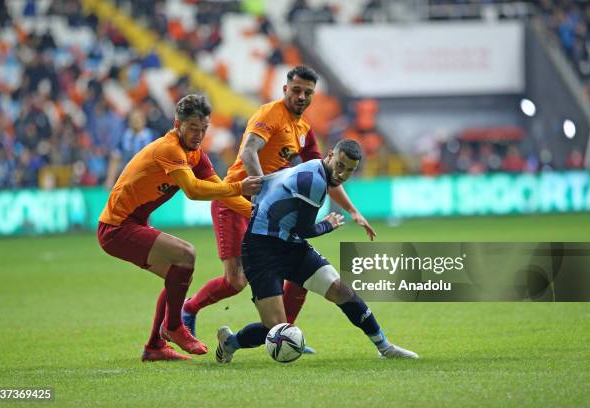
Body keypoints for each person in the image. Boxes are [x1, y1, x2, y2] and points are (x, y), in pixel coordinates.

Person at [182, 66, 376, 354]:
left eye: (307, 93)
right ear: (285, 89)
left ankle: (286, 337)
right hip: (236, 202)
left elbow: (327, 172)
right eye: (296, 90)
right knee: (236, 280)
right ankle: (189, 309)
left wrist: (353, 211)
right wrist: (263, 192)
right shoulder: (268, 115)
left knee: (300, 273)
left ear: (312, 96)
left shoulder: (303, 129)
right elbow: (248, 152)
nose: (301, 96)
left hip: (266, 212)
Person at [215, 139, 418, 363]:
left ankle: (385, 347)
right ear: (330, 155)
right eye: (340, 165)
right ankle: (230, 342)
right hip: (261, 249)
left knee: (342, 291)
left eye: (349, 170)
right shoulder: (314, 180)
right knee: (277, 331)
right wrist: (327, 225)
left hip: (289, 245)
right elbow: (304, 229)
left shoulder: (316, 171)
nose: (342, 174)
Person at [97, 95, 262, 362]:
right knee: (186, 254)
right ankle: (173, 327)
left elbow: (220, 192)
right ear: (178, 124)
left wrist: (256, 213)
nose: (198, 135)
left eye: (203, 129)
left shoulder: (196, 154)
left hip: (132, 223)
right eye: (193, 129)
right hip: (116, 228)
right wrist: (239, 187)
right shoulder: (169, 149)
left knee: (176, 275)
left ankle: (154, 347)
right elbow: (194, 190)